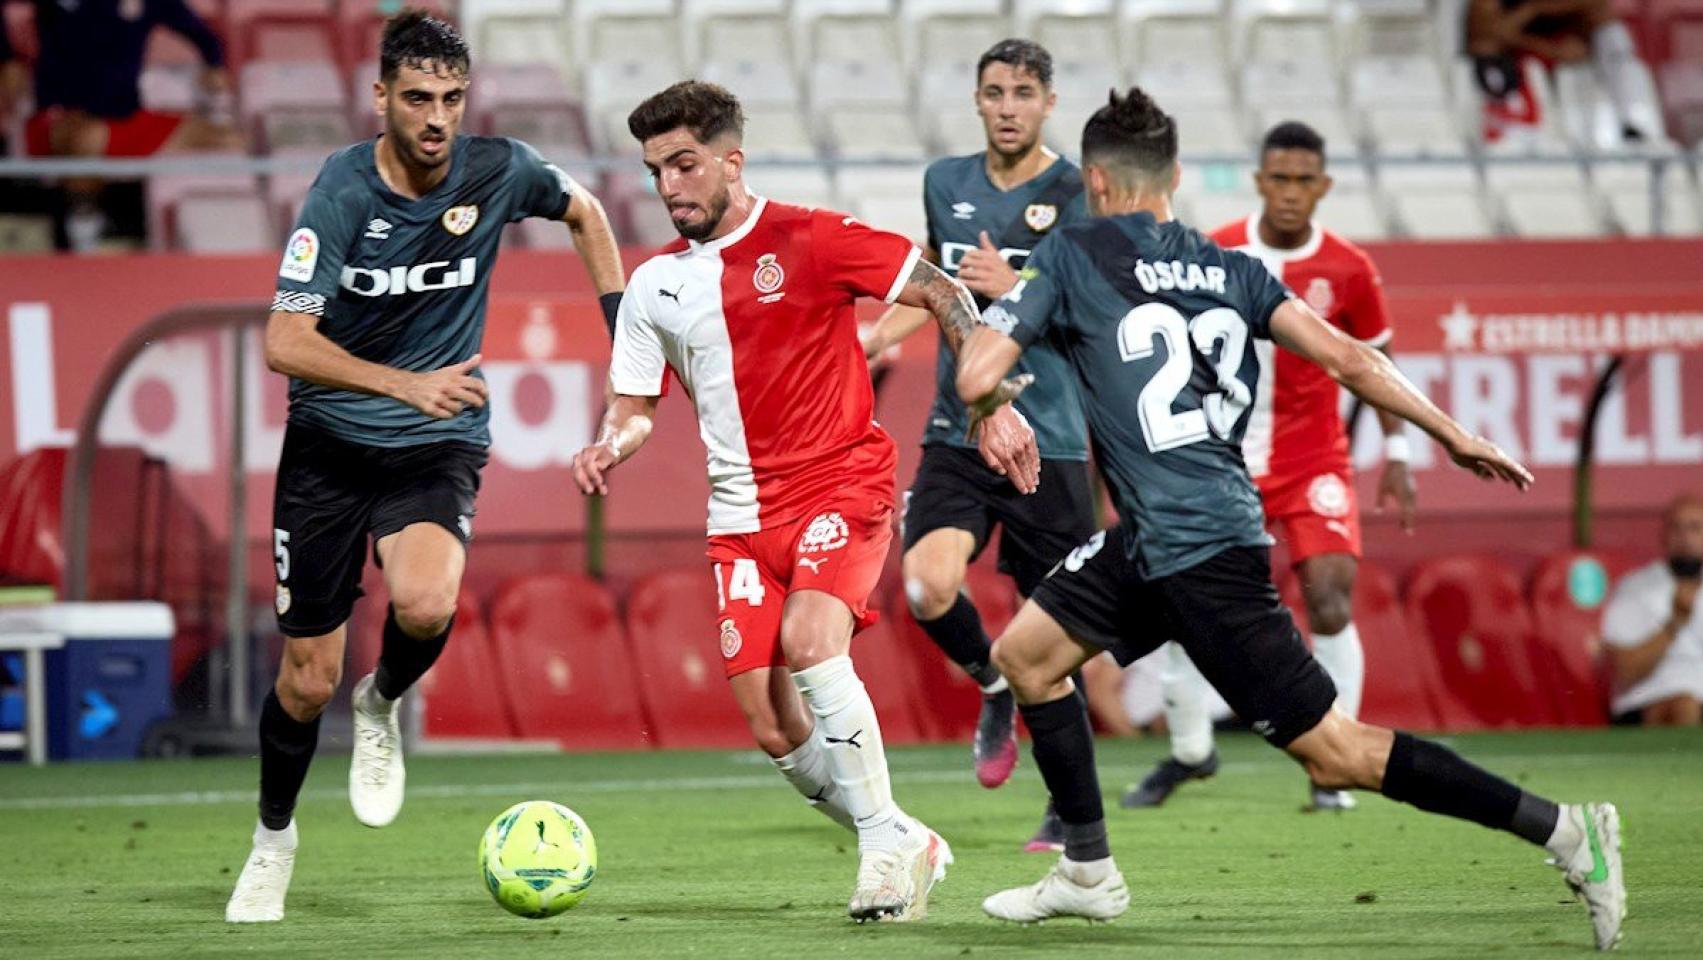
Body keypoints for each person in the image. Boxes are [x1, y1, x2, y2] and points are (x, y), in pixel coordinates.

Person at [956, 87, 1625, 952]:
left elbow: (977, 373)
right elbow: (1351, 356)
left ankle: (1570, 831)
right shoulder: (1230, 265)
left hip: (1198, 554)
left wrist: (1000, 374)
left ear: (1093, 181)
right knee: (1029, 658)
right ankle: (1087, 871)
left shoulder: (1075, 249)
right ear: (1176, 177)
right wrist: (1453, 435)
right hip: (1173, 534)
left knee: (1336, 753)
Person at [570, 80, 1037, 923]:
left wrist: (990, 403)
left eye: (684, 164)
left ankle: (885, 858)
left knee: (811, 639)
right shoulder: (652, 288)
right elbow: (637, 407)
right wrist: (613, 444)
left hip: (841, 484)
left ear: (730, 161)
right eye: (655, 171)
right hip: (738, 521)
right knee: (774, 727)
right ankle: (899, 833)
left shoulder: (813, 239)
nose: (670, 186)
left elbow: (942, 291)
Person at [224, 11, 625, 924]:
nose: (437, 116)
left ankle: (386, 701)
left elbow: (587, 211)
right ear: (381, 99)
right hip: (329, 447)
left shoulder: (499, 168)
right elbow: (285, 341)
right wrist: (403, 384)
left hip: (434, 442)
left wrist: (623, 330)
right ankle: (272, 842)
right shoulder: (340, 194)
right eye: (417, 99)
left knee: (429, 603)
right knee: (303, 679)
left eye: (451, 98)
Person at [1126, 120, 1416, 812]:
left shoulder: (1350, 269)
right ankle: (1190, 750)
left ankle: (1334, 763)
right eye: (1278, 179)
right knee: (1183, 599)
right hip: (1217, 452)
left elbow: (1376, 360)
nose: (1289, 193)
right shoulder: (1216, 249)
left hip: (1311, 453)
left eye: (1302, 180)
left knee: (1329, 594)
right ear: (1259, 182)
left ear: (1324, 186)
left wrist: (1399, 452)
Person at [858, 38, 1095, 853]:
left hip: (1050, 437)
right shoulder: (945, 183)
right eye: (993, 92)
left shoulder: (1076, 193)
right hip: (957, 431)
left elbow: (1098, 310)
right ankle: (993, 685)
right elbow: (934, 289)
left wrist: (1019, 289)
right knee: (926, 586)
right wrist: (872, 339)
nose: (1006, 107)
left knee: (1059, 632)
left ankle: (1069, 808)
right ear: (977, 99)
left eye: (1023, 93)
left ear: (1048, 103)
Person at [0, 0, 244, 248]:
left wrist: (213, 66)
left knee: (227, 140)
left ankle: (229, 249)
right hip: (59, 121)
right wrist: (7, 59)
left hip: (125, 119)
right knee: (88, 137)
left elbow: (203, 36)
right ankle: (82, 225)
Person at [1465, 0, 1654, 144]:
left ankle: (1632, 118)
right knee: (1486, 43)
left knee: (1612, 35)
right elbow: (1486, 35)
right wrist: (1528, 27)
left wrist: (1534, 9)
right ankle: (1504, 115)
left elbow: (1597, 9)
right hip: (1519, 54)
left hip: (1551, 47)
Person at [1602, 493, 1703, 726]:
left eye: (1695, 528)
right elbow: (1626, 671)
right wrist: (1675, 623)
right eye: (1677, 529)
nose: (1686, 538)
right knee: (1684, 706)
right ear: (1664, 536)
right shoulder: (1634, 588)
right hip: (1648, 701)